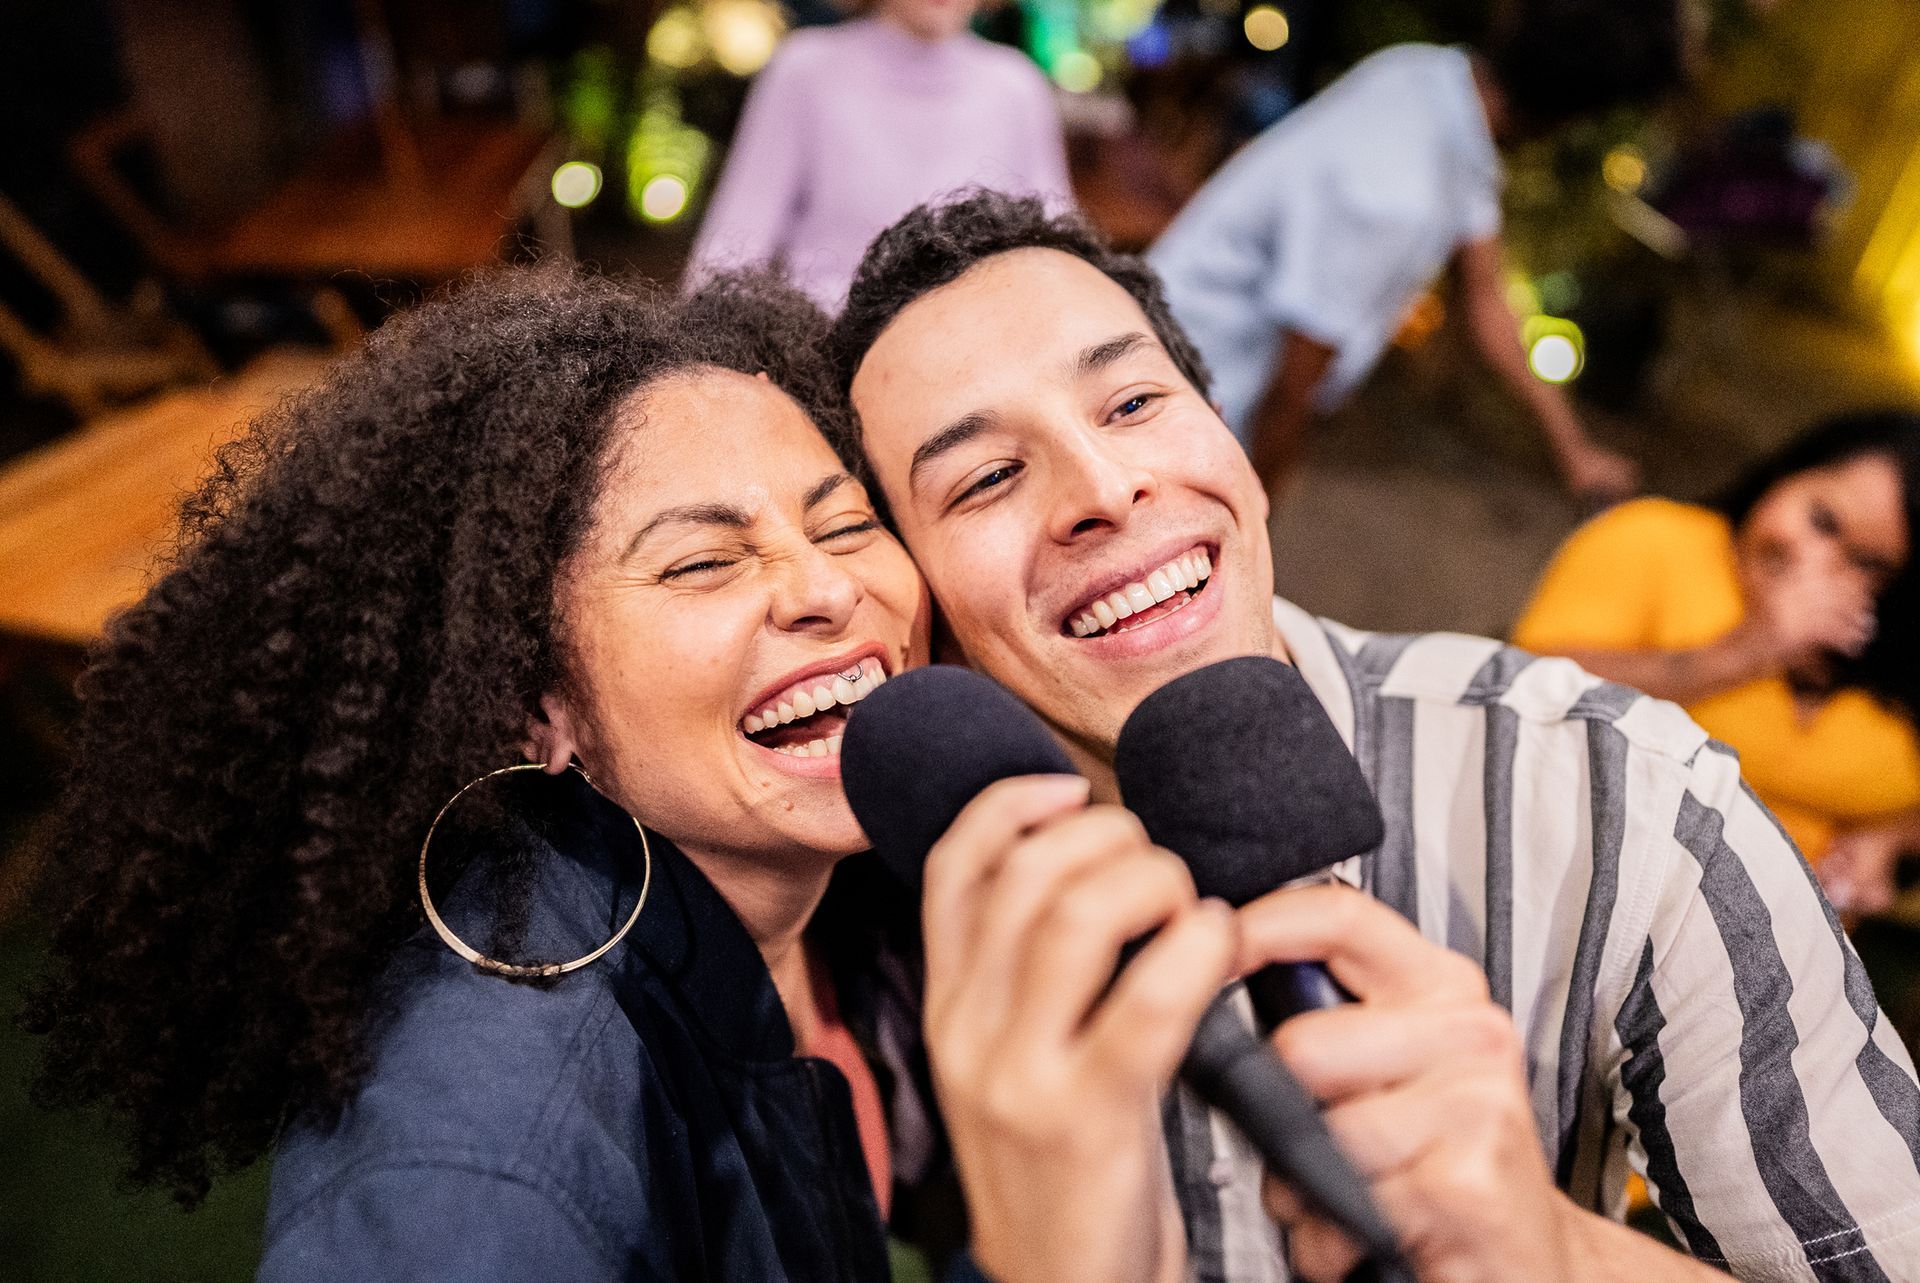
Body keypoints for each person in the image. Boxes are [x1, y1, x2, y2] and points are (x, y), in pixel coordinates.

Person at [816, 190, 1920, 1282]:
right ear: (916, 598)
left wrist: (1558, 1252)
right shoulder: (902, 926)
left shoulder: (1623, 797)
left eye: (1134, 402)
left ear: (1231, 439)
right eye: (987, 478)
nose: (1103, 487)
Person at [25, 266, 1073, 1281]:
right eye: (702, 562)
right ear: (537, 704)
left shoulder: (866, 869)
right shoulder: (487, 1160)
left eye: (844, 524)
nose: (826, 586)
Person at [1146, 0, 1683, 501]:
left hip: (1175, 360)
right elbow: (1292, 391)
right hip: (1170, 402)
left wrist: (1574, 451)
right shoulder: (1398, 190)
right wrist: (1255, 517)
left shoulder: (1427, 79)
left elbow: (1488, 300)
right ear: (1578, 116)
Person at [1513, 411, 1920, 918]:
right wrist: (1746, 652)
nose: (1816, 566)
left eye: (1869, 564)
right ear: (1786, 474)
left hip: (1772, 960)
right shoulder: (1656, 539)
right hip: (1572, 906)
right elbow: (1522, 685)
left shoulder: (1890, 653)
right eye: (1821, 521)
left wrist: (1888, 836)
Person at [685, 0, 1072, 308]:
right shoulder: (806, 70)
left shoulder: (1016, 86)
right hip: (823, 351)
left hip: (976, 353)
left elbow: (1057, 247)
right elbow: (734, 243)